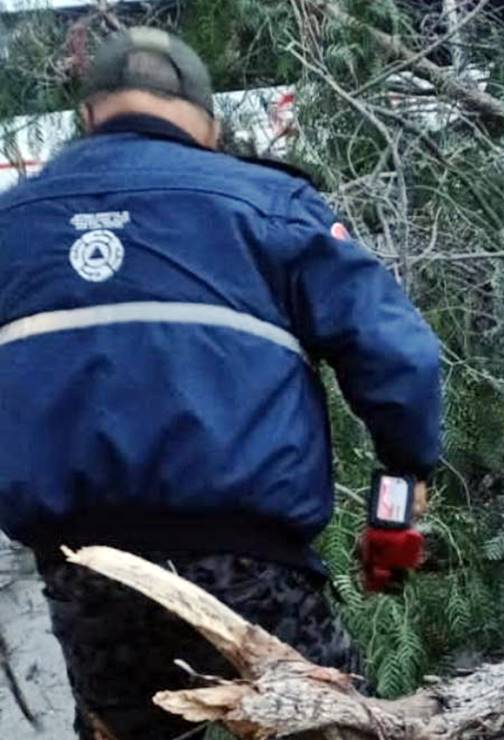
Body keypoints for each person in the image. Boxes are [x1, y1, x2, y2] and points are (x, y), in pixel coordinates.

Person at [0, 26, 442, 739]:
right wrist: (402, 484)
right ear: (208, 122)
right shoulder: (266, 205)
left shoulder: (12, 222)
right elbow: (396, 353)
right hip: (249, 563)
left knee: (127, 727)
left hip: (83, 567)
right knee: (325, 726)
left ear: (91, 115)